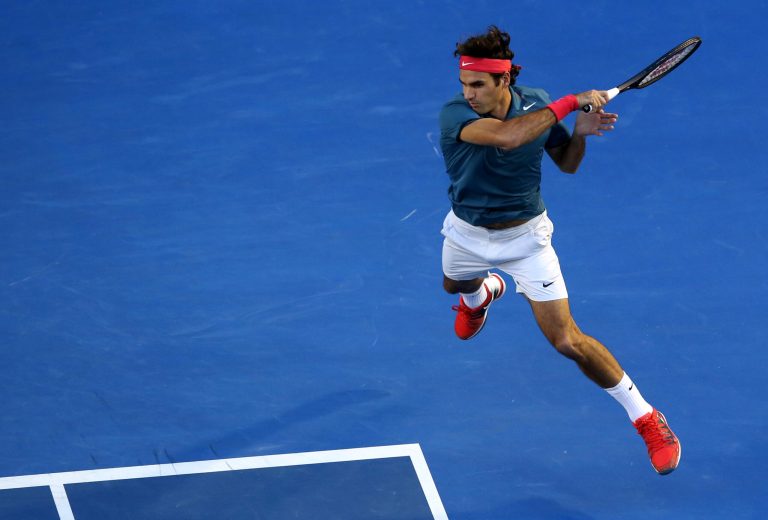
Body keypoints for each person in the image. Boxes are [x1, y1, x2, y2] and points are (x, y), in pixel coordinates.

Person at [438, 26, 681, 475]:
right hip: (467, 233)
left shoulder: (536, 102)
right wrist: (571, 102)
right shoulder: (455, 115)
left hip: (527, 240)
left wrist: (581, 134)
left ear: (503, 80)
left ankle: (646, 416)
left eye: (477, 84)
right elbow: (509, 138)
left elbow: (566, 164)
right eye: (464, 84)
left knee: (567, 340)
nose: (468, 93)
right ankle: (481, 295)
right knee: (454, 282)